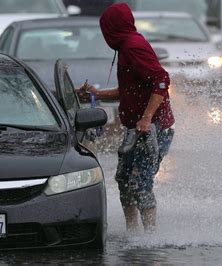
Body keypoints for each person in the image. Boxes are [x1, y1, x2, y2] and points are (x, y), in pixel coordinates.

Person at [77, 3, 175, 233]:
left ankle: (150, 236)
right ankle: (132, 233)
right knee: (124, 181)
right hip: (135, 130)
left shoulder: (133, 46)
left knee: (141, 184)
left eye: (105, 30)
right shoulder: (125, 47)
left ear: (113, 28)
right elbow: (131, 89)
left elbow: (161, 81)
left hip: (152, 130)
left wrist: (147, 118)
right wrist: (98, 94)